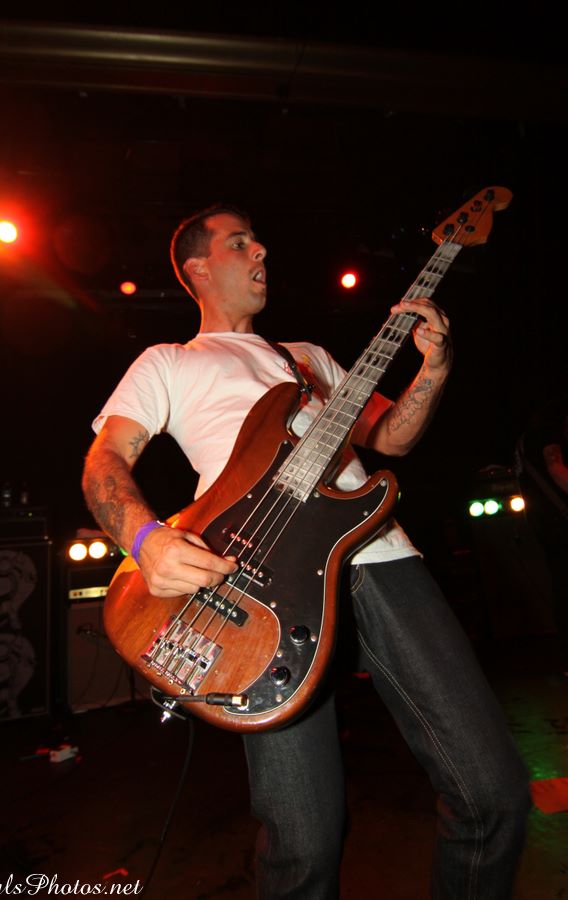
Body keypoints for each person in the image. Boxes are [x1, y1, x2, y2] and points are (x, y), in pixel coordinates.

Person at [82, 204, 530, 899]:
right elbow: (105, 460)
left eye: (259, 239)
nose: (261, 249)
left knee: (494, 794)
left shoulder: (310, 359)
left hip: (379, 558)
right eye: (240, 243)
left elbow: (392, 437)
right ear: (198, 268)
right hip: (254, 581)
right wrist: (146, 538)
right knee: (303, 844)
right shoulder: (170, 361)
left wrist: (434, 368)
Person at [515, 391, 568, 670]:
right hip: (559, 523)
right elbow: (556, 469)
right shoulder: (547, 432)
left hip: (545, 524)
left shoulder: (525, 438)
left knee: (562, 587)